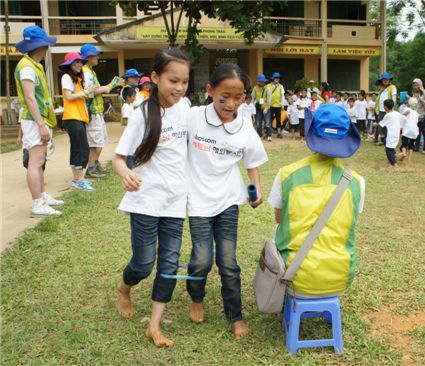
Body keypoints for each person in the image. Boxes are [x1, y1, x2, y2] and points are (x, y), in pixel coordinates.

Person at [113, 48, 191, 348]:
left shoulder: (188, 109)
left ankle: (154, 326)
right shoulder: (141, 114)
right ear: (155, 77)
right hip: (145, 200)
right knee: (144, 264)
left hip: (175, 202)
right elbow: (119, 158)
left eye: (184, 81)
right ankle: (123, 288)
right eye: (173, 80)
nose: (180, 88)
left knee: (169, 265)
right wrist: (125, 173)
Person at [185, 64, 268, 339]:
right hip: (197, 201)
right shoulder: (193, 117)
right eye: (225, 97)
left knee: (228, 262)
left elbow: (252, 161)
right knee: (201, 260)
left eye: (239, 97)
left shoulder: (245, 126)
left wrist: (255, 188)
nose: (231, 104)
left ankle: (235, 315)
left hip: (228, 201)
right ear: (210, 91)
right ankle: (196, 298)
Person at [267, 103, 365, 298]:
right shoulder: (356, 182)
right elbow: (350, 222)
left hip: (294, 279)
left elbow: (279, 219)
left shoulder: (287, 174)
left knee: (275, 233)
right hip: (340, 278)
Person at [14, 25, 63, 217]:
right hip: (34, 120)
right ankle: (37, 204)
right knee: (35, 161)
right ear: (39, 46)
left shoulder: (34, 65)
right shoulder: (26, 67)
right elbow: (30, 98)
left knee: (41, 160)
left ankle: (42, 196)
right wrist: (41, 125)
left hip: (40, 118)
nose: (47, 50)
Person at [81, 43, 121, 179]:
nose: (98, 57)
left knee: (100, 141)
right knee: (95, 143)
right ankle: (91, 168)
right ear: (88, 57)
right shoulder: (86, 72)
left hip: (97, 111)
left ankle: (95, 165)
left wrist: (109, 86)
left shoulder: (90, 71)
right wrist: (108, 87)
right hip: (92, 111)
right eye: (95, 55)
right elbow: (90, 91)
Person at [59, 52, 94, 191]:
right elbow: (68, 96)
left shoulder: (77, 80)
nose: (79, 65)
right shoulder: (67, 77)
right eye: (76, 63)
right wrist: (86, 92)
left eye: (80, 62)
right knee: (82, 148)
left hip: (79, 117)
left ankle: (77, 179)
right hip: (72, 117)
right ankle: (80, 179)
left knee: (77, 148)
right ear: (69, 65)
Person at [379, 99, 406, 167]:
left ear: (385, 107)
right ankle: (399, 155)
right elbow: (404, 119)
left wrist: (375, 124)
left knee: (388, 150)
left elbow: (381, 123)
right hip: (396, 134)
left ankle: (395, 164)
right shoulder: (396, 113)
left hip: (391, 134)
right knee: (391, 148)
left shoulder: (388, 115)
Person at [375, 72, 397, 146]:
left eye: (386, 79)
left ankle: (387, 141)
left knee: (388, 126)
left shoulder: (392, 87)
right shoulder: (382, 89)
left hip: (388, 110)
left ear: (389, 80)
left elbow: (393, 99)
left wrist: (391, 110)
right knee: (381, 126)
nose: (385, 81)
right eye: (383, 79)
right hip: (381, 110)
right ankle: (382, 140)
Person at [412, 78, 425, 154]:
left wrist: (422, 100)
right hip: (417, 115)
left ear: (420, 85)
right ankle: (416, 147)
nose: (415, 87)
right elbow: (414, 105)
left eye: (416, 85)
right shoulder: (414, 94)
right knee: (417, 132)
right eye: (414, 85)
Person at [265, 72, 285, 139]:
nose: (277, 79)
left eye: (278, 78)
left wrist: (282, 104)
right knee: (269, 119)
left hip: (278, 105)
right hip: (270, 105)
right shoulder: (268, 86)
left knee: (278, 119)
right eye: (276, 78)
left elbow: (282, 96)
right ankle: (268, 132)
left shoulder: (281, 86)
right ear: (273, 78)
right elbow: (265, 95)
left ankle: (279, 133)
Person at [120, 87, 137, 168]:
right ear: (128, 97)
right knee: (130, 150)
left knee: (133, 148)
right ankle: (129, 166)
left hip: (133, 131)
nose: (135, 98)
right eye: (133, 96)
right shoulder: (126, 107)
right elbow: (125, 121)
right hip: (130, 131)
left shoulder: (130, 105)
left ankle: (133, 164)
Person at [399, 97, 419, 162]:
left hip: (407, 129)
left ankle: (404, 153)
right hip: (414, 130)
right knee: (412, 145)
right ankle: (409, 159)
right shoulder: (416, 113)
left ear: (408, 103)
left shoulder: (407, 109)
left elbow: (402, 115)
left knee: (404, 144)